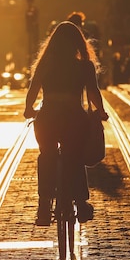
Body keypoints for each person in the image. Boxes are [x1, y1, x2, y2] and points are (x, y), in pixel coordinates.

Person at [24, 21, 108, 226]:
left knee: (47, 156)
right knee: (75, 157)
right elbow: (93, 93)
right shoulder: (85, 66)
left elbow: (33, 89)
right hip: (73, 118)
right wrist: (101, 111)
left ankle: (44, 206)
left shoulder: (45, 65)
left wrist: (28, 109)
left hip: (48, 118)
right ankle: (80, 204)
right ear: (77, 44)